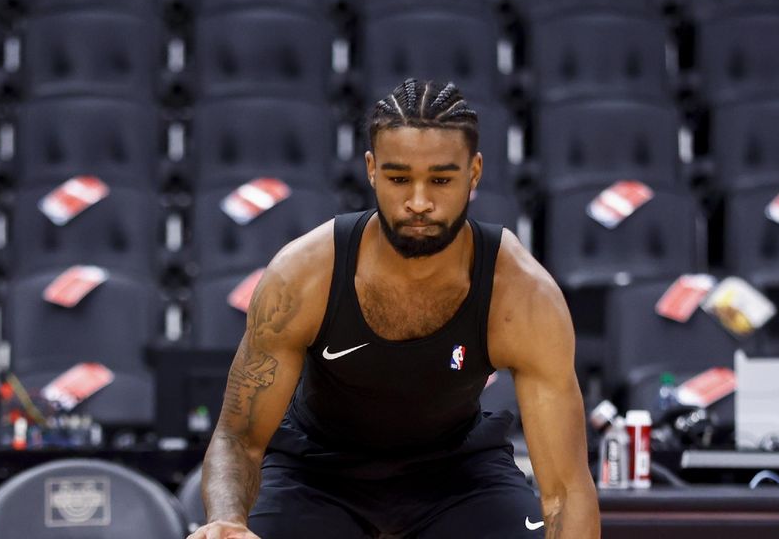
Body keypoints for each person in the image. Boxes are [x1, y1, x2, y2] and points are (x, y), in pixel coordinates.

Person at [187, 79, 600, 539]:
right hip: (316, 472)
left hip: (457, 474)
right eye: (399, 178)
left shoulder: (522, 294)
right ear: (371, 169)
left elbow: (566, 490)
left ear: (475, 172)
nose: (418, 202)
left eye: (441, 180)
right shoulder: (304, 275)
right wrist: (227, 520)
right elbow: (238, 438)